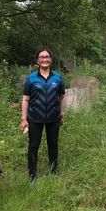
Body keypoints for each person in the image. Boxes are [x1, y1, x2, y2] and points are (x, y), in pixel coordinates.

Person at [21, 49, 66, 183]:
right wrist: (24, 119)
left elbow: (62, 96)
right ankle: (32, 176)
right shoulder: (31, 78)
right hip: (34, 118)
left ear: (51, 59)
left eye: (47, 57)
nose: (44, 59)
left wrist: (61, 114)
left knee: (53, 144)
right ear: (37, 61)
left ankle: (53, 171)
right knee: (33, 145)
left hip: (53, 117)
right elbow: (26, 99)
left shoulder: (57, 77)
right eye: (41, 57)